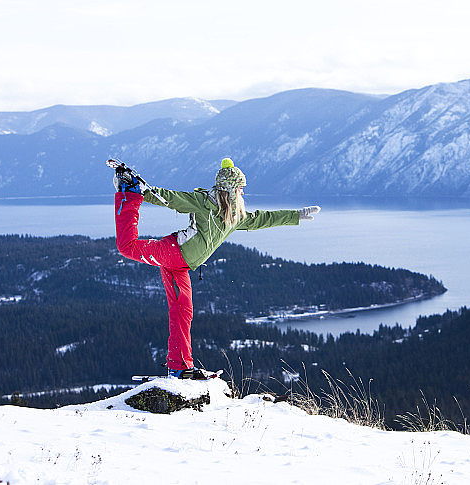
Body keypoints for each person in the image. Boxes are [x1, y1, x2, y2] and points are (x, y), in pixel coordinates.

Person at [113, 158, 320, 379]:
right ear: (230, 190)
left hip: (181, 266)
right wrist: (143, 190)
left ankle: (180, 367)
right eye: (240, 189)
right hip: (173, 250)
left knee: (183, 311)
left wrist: (296, 215)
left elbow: (263, 218)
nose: (243, 194)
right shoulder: (205, 203)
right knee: (127, 247)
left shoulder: (235, 218)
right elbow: (173, 199)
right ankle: (128, 193)